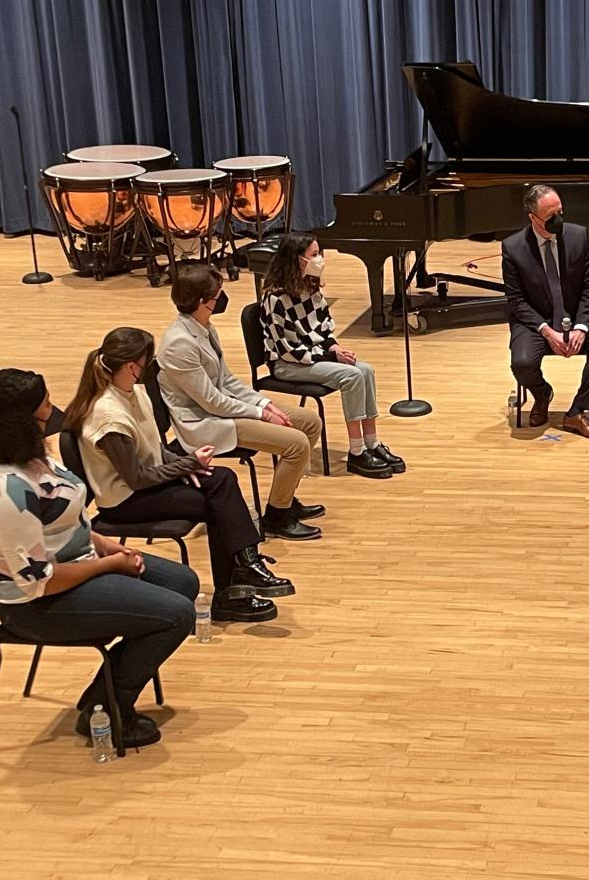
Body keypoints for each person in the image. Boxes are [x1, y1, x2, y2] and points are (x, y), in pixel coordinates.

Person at [0, 369, 198, 750]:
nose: (54, 411)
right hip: (40, 604)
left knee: (182, 583)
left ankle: (106, 685)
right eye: (45, 405)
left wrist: (104, 544)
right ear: (23, 422)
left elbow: (65, 516)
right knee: (176, 615)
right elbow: (40, 581)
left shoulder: (32, 456)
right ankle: (105, 706)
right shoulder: (5, 489)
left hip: (78, 564)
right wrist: (109, 565)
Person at [65, 326, 295, 623]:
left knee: (222, 479)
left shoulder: (135, 392)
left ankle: (243, 570)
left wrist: (188, 463)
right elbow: (136, 478)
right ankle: (235, 582)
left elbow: (156, 451)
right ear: (133, 367)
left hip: (147, 484)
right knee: (217, 504)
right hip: (126, 500)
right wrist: (186, 466)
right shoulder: (108, 415)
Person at [157, 264, 326, 541]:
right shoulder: (180, 344)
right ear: (202, 301)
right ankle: (277, 517)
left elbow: (227, 381)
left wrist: (265, 403)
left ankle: (283, 499)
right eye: (217, 293)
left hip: (223, 409)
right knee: (296, 444)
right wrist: (260, 414)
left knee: (309, 422)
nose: (222, 298)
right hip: (205, 423)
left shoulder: (204, 327)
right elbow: (212, 402)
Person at [260, 232, 405, 479]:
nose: (320, 260)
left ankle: (372, 443)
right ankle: (357, 453)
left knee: (366, 370)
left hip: (314, 357)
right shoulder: (276, 299)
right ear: (296, 260)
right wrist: (329, 359)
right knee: (351, 377)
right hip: (288, 364)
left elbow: (323, 327)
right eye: (314, 255)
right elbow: (289, 351)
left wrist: (335, 348)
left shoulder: (311, 287)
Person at [503, 184, 589, 440]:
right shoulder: (513, 247)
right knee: (522, 364)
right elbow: (516, 300)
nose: (559, 220)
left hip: (577, 315)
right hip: (536, 320)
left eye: (560, 211)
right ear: (532, 218)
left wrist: (582, 326)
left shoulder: (578, 236)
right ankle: (542, 393)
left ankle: (577, 411)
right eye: (550, 216)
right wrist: (546, 331)